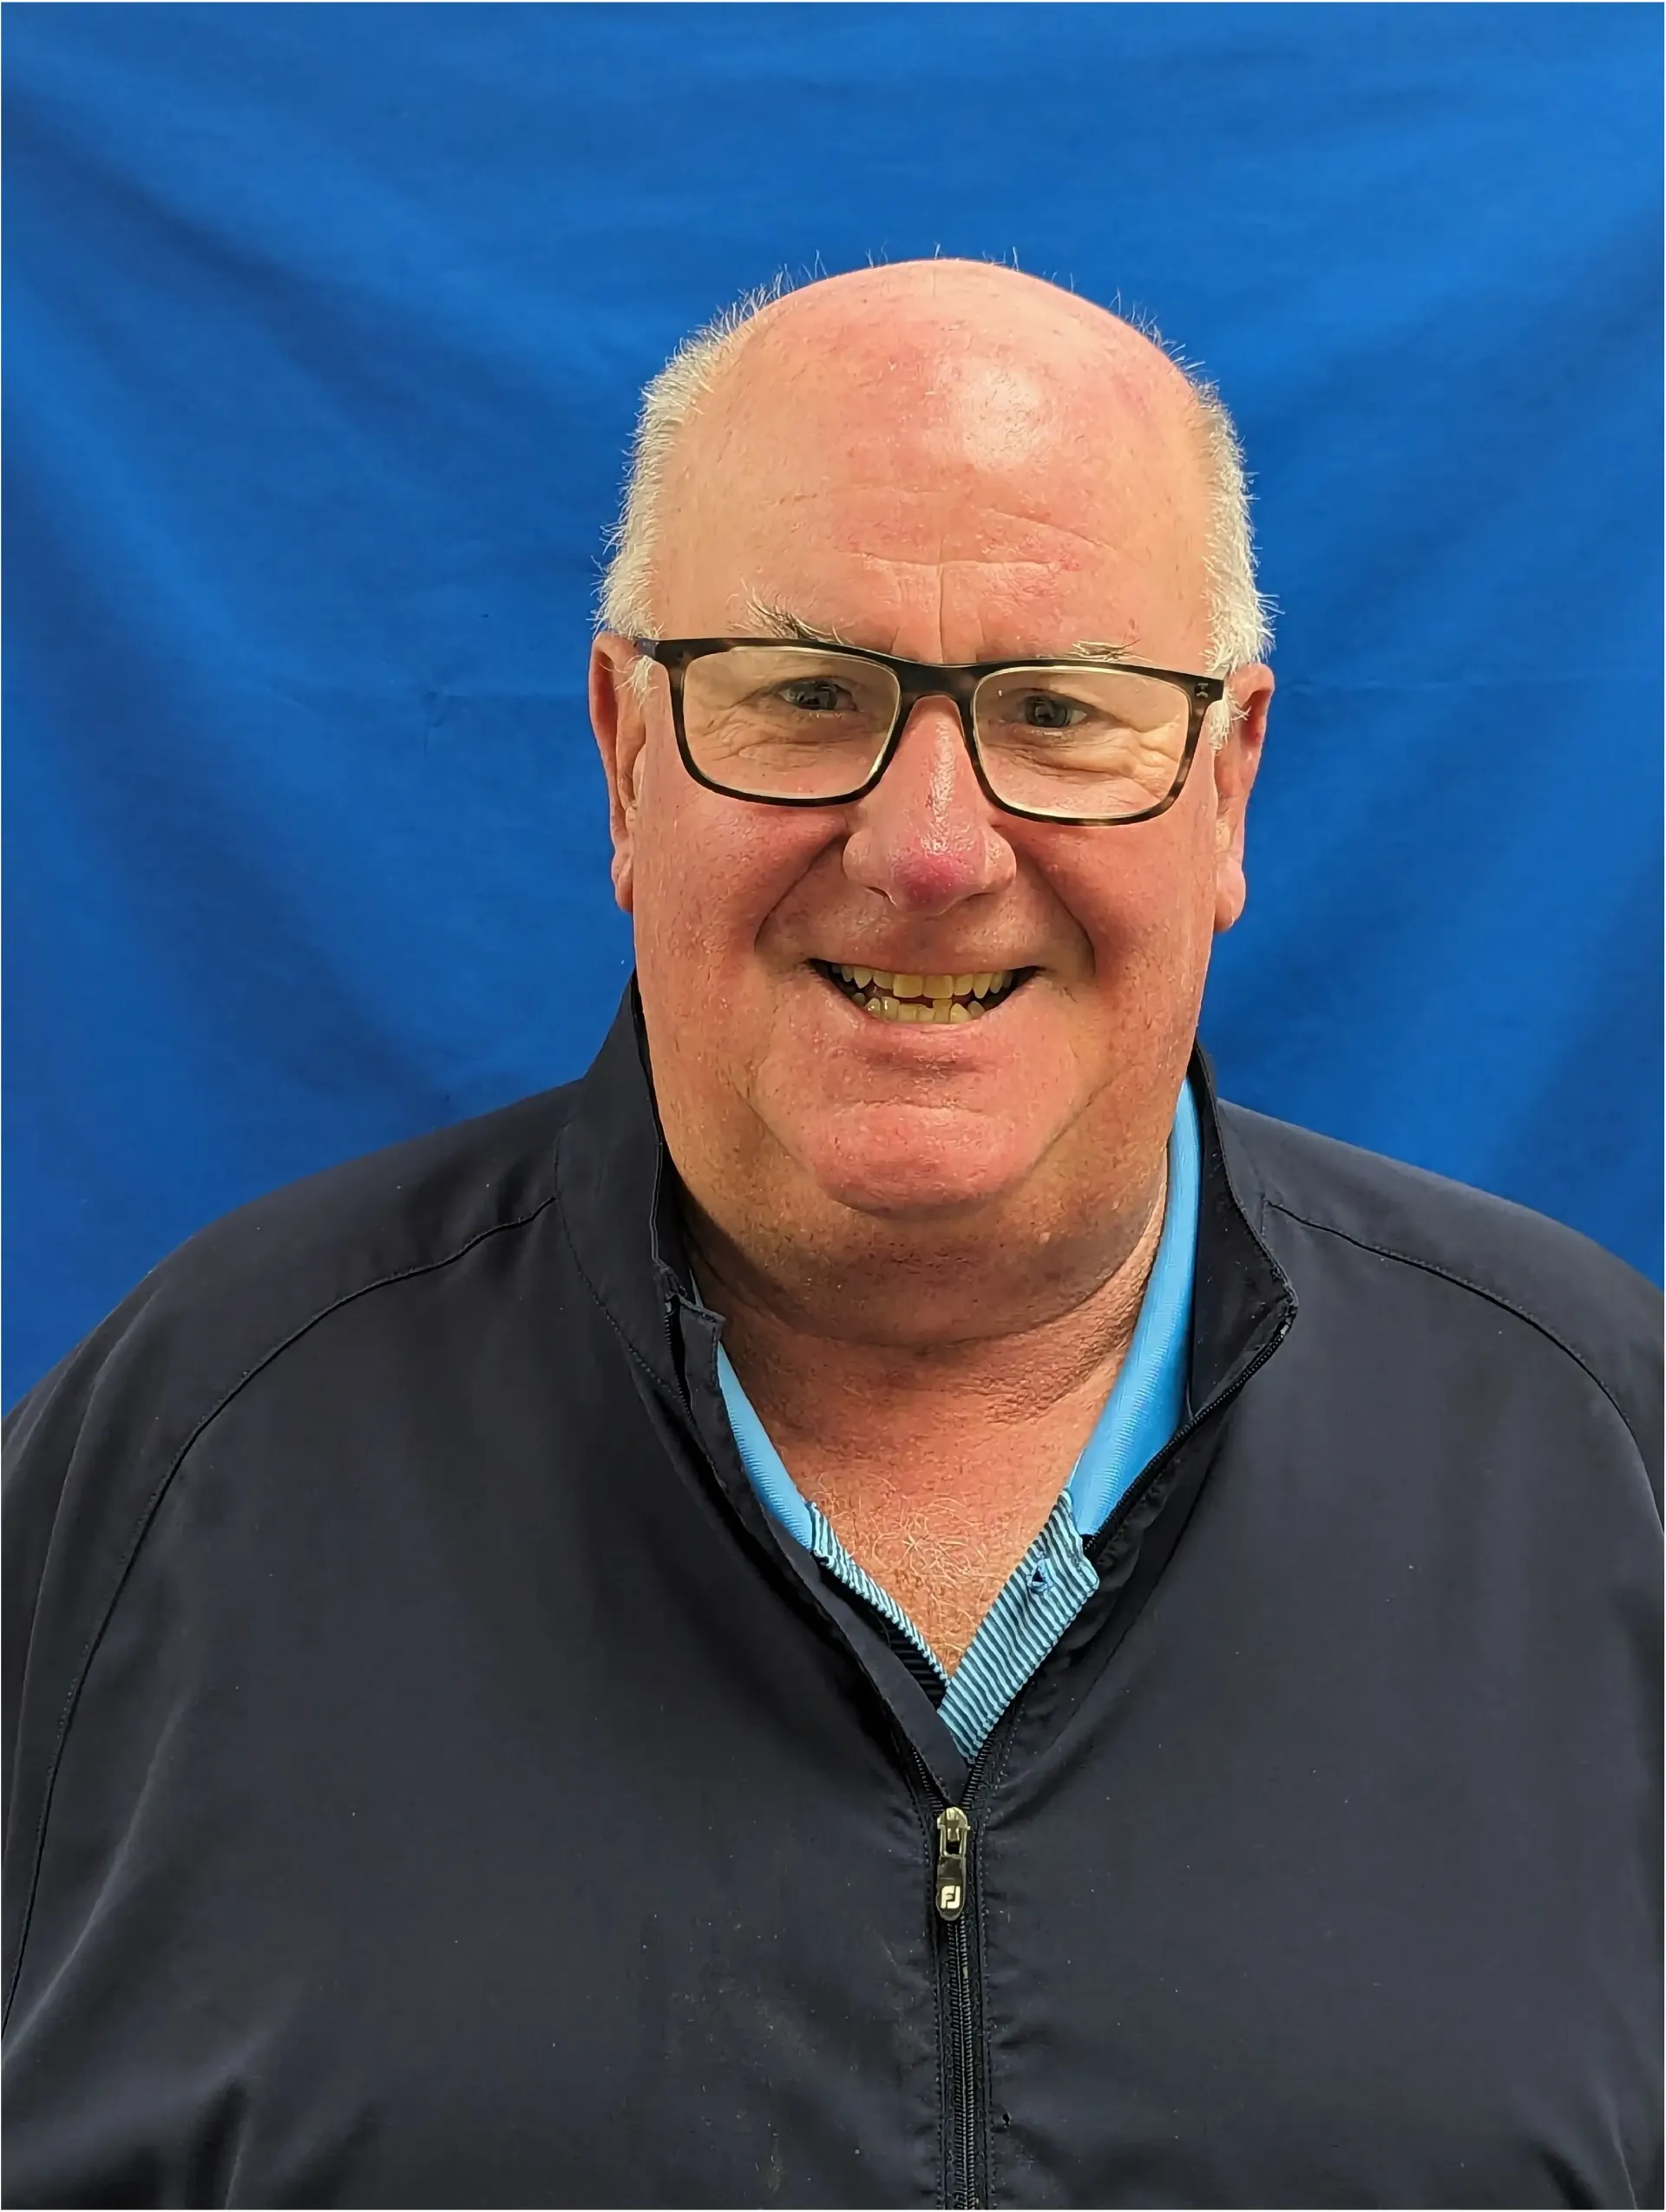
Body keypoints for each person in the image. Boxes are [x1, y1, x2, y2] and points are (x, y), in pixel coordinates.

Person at [3, 260, 1658, 2210]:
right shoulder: (175, 1468)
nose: (934, 849)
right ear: (625, 756)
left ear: (1225, 791)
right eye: (806, 697)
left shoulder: (1611, 1456)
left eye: (1060, 710)